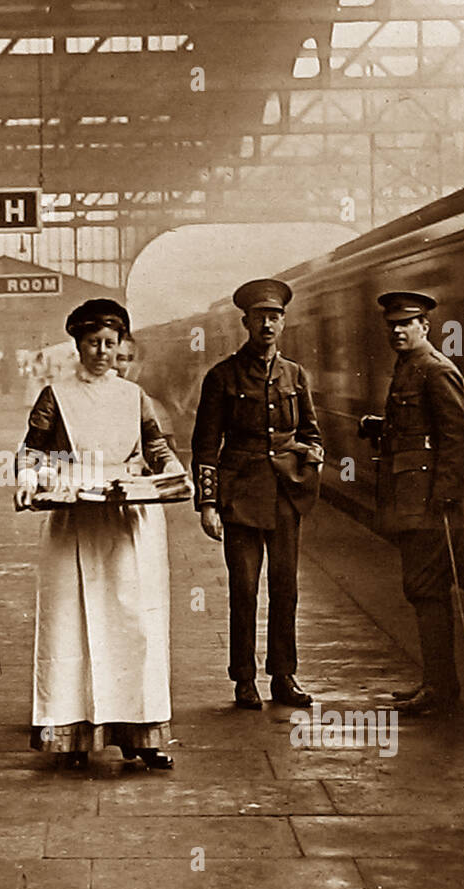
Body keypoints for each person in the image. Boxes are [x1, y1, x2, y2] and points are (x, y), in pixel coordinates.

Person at [14, 298, 180, 771]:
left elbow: (156, 445)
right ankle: (71, 736)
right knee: (72, 624)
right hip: (74, 519)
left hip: (129, 522)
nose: (102, 352)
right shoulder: (56, 395)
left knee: (133, 626)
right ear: (78, 345)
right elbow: (31, 452)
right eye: (93, 343)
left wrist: (173, 473)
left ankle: (140, 734)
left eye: (111, 343)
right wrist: (30, 480)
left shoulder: (134, 395)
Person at [191, 279, 325, 710]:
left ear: (283, 323)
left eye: (275, 317)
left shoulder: (295, 375)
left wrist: (308, 460)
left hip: (286, 496)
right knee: (244, 588)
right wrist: (208, 503)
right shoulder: (222, 376)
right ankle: (244, 679)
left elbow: (311, 432)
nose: (267, 324)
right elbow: (206, 445)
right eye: (259, 317)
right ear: (245, 322)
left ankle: (284, 676)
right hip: (241, 497)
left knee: (285, 588)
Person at [358, 291, 464, 716]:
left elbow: (459, 440)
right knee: (421, 591)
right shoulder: (409, 368)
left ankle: (441, 689)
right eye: (392, 325)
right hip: (412, 502)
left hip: (430, 505)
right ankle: (436, 682)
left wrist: (444, 498)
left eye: (407, 324)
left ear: (425, 326)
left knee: (427, 591)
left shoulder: (435, 370)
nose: (398, 331)